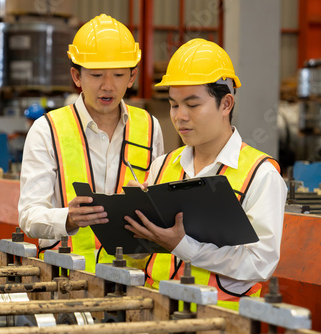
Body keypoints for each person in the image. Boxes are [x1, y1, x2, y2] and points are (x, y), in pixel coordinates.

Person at [123, 38, 287, 310]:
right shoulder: (162, 167)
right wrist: (132, 219)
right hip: (154, 312)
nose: (180, 116)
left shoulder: (260, 175)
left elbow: (260, 263)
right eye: (174, 105)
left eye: (193, 104)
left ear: (226, 104)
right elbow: (142, 257)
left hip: (222, 321)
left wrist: (184, 246)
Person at [18, 14, 164, 273]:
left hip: (130, 280)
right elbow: (29, 216)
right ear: (77, 76)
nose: (107, 86)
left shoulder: (150, 127)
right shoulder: (47, 130)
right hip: (63, 280)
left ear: (132, 78)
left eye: (119, 75)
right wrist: (68, 218)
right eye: (96, 75)